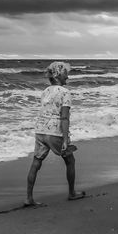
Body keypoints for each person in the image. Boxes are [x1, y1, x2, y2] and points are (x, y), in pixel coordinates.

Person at [25, 61, 85, 206]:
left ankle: (28, 198)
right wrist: (65, 139)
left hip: (40, 130)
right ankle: (71, 193)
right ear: (58, 76)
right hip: (54, 132)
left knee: (36, 163)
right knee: (70, 160)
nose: (68, 78)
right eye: (66, 74)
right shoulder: (65, 93)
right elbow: (64, 117)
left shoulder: (45, 91)